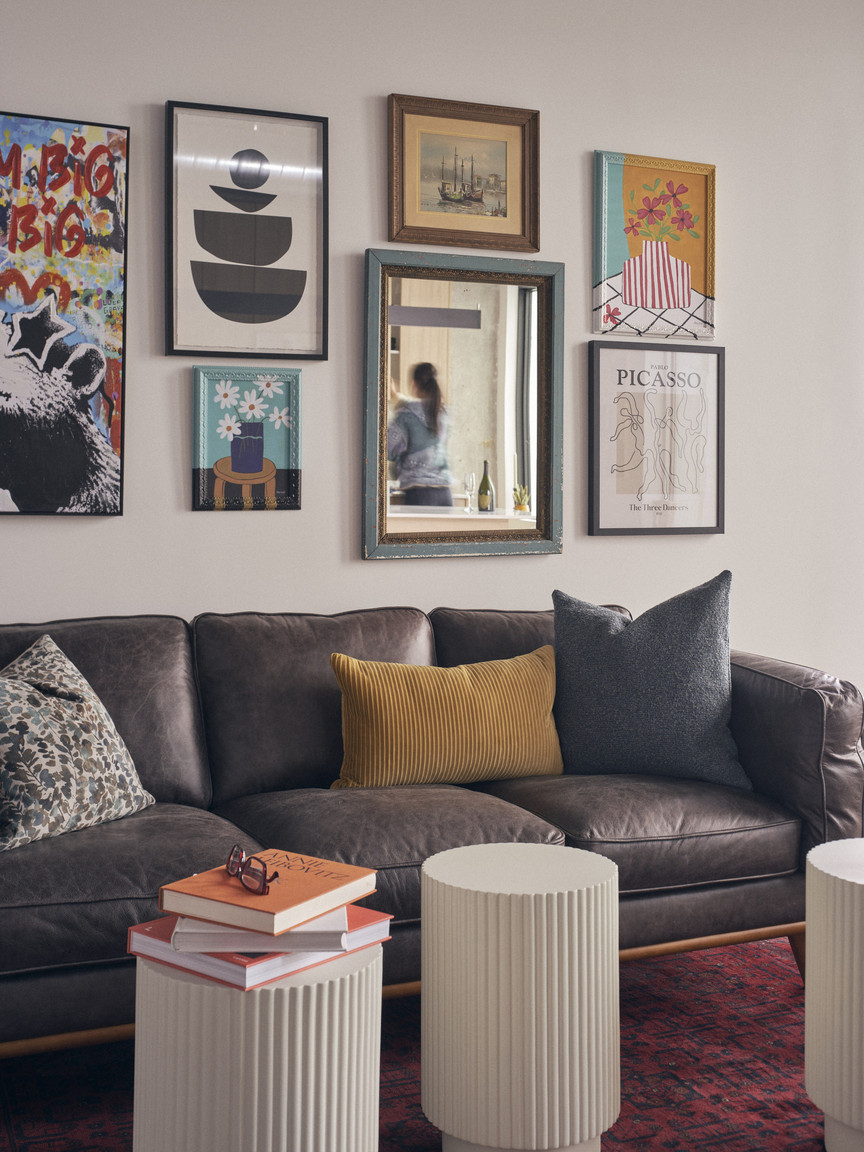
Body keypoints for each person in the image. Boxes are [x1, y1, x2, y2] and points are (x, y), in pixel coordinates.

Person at [387, 362, 453, 506]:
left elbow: (386, 449)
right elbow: (419, 410)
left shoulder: (406, 416)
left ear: (413, 384)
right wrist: (396, 397)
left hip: (419, 494)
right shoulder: (442, 414)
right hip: (445, 494)